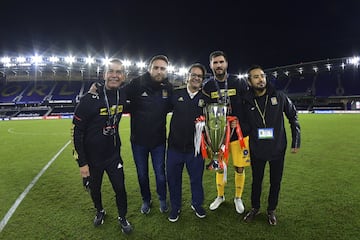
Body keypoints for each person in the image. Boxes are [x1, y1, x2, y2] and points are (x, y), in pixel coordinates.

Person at [72, 59, 133, 234]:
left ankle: (122, 217)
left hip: (113, 155)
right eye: (111, 71)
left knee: (120, 188)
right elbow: (76, 132)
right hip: (92, 159)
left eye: (119, 72)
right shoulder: (89, 99)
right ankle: (100, 211)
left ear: (124, 76)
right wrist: (82, 163)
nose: (115, 75)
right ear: (104, 74)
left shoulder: (123, 94)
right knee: (95, 189)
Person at [242, 65, 300, 225]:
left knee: (276, 181)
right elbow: (245, 125)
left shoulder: (279, 96)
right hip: (257, 149)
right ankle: (254, 208)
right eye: (256, 77)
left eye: (262, 76)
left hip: (277, 148)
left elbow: (293, 117)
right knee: (257, 181)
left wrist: (296, 141)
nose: (261, 79)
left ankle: (271, 210)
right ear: (249, 81)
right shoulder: (246, 101)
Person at [202, 50, 250, 214]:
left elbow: (248, 106)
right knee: (219, 167)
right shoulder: (208, 86)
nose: (218, 65)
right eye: (215, 63)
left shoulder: (238, 82)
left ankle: (238, 197)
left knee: (239, 167)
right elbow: (205, 111)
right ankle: (220, 196)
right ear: (211, 65)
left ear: (226, 63)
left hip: (238, 134)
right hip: (218, 135)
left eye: (221, 62)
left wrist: (240, 123)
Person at [125, 55, 173, 214]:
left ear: (166, 71)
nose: (159, 71)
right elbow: (118, 96)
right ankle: (146, 199)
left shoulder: (168, 88)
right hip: (138, 141)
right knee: (142, 174)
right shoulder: (136, 84)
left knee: (160, 174)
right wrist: (100, 89)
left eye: (163, 68)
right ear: (149, 68)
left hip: (159, 141)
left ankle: (162, 198)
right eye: (156, 68)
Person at [166, 63, 207, 222]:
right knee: (173, 180)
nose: (196, 78)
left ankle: (197, 204)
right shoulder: (176, 94)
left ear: (202, 80)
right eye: (194, 75)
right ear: (187, 76)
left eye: (200, 76)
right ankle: (175, 207)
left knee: (196, 180)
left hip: (195, 150)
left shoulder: (206, 99)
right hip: (174, 148)